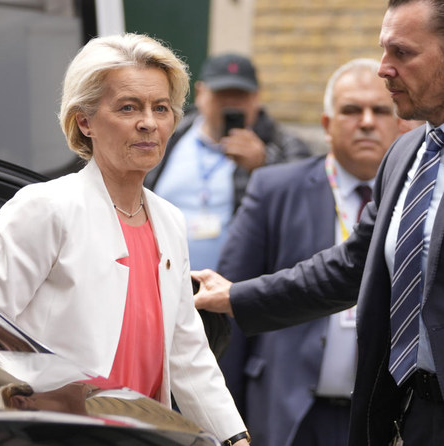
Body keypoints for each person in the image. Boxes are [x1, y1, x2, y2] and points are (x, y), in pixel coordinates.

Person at [0, 33, 249, 445]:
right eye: (128, 107)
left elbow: (187, 353)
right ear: (84, 121)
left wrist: (234, 438)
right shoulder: (49, 207)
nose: (149, 123)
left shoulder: (170, 221)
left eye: (161, 108)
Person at [192, 0, 444, 444]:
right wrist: (234, 296)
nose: (383, 68)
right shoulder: (408, 156)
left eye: (402, 52)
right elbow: (351, 267)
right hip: (403, 415)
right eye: (384, 50)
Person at [215, 58, 401, 446]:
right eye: (351, 110)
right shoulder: (275, 189)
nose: (367, 122)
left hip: (381, 420)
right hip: (287, 415)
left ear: (400, 123)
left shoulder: (414, 197)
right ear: (327, 124)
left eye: (381, 110)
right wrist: (224, 425)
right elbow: (229, 306)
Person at [146, 52, 311, 271]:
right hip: (161, 277)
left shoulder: (281, 144)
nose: (231, 104)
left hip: (235, 285)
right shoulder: (169, 134)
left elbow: (306, 199)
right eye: (222, 94)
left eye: (240, 95)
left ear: (256, 98)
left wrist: (264, 165)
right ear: (201, 93)